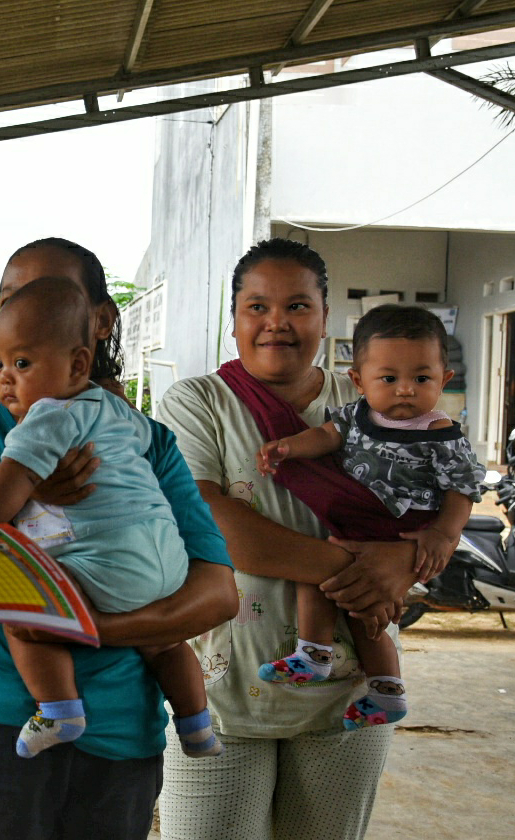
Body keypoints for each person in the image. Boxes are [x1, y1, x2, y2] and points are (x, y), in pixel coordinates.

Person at [0, 237, 238, 840]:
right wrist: (21, 484)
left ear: (98, 325)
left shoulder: (144, 440)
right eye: (8, 301)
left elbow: (217, 595)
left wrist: (85, 627)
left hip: (122, 731)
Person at [155, 237, 427, 840]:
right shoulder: (197, 403)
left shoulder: (370, 401)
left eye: (298, 306)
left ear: (327, 318)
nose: (276, 323)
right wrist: (365, 569)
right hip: (219, 691)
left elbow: (423, 512)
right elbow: (211, 523)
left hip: (352, 691)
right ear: (233, 322)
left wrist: (404, 559)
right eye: (257, 307)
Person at [0, 277, 220, 760]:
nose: (4, 378)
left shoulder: (47, 418)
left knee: (22, 620)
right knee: (164, 645)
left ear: (78, 363)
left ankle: (59, 709)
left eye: (21, 363)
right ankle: (197, 725)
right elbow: (139, 450)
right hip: (167, 564)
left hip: (106, 567)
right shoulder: (119, 411)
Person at [254, 303, 482, 729]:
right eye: (389, 379)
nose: (405, 390)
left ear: (444, 380)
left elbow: (462, 487)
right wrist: (288, 447)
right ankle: (328, 661)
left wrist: (442, 535)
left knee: (361, 606)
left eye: (421, 378)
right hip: (355, 522)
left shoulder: (438, 432)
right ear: (358, 380)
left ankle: (377, 684)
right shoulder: (356, 415)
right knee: (329, 584)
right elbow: (324, 437)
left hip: (398, 529)